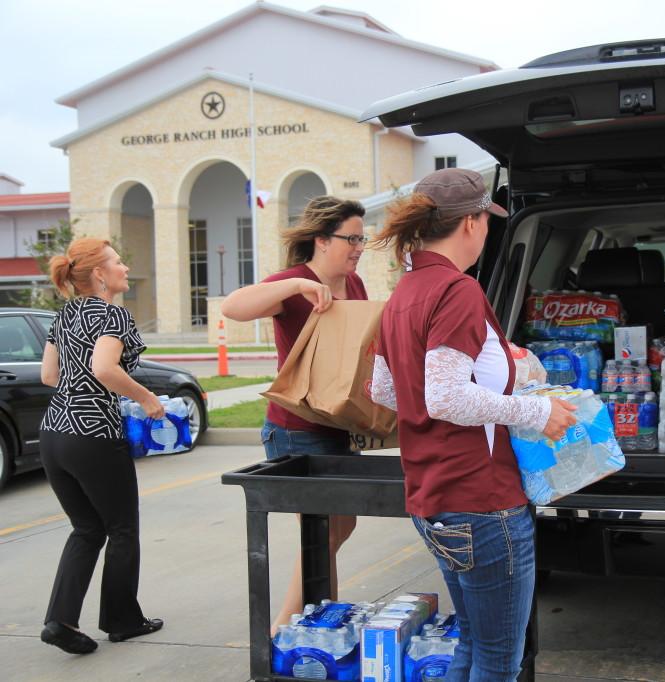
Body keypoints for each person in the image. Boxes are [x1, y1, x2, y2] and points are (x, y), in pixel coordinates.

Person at [369, 168, 577, 682]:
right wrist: (537, 410)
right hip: (482, 501)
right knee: (499, 662)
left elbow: (386, 390)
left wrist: (496, 366)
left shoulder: (405, 292)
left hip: (432, 494)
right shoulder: (457, 290)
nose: (488, 230)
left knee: (473, 645)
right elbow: (445, 395)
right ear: (471, 223)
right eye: (488, 219)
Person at [221, 196, 368, 632]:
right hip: (297, 429)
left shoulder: (354, 284)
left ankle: (324, 621)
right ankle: (281, 633)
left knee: (340, 527)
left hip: (340, 424)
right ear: (322, 241)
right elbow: (233, 307)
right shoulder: (293, 282)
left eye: (363, 238)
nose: (359, 246)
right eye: (351, 238)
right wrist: (294, 287)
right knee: (320, 534)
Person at [38, 237, 165, 655]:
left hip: (54, 433)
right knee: (122, 528)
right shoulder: (113, 315)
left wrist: (80, 395)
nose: (125, 268)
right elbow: (105, 368)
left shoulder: (64, 315)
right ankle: (123, 620)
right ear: (99, 274)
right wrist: (147, 399)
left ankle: (60, 621)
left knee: (87, 527)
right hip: (94, 436)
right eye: (117, 262)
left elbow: (49, 376)